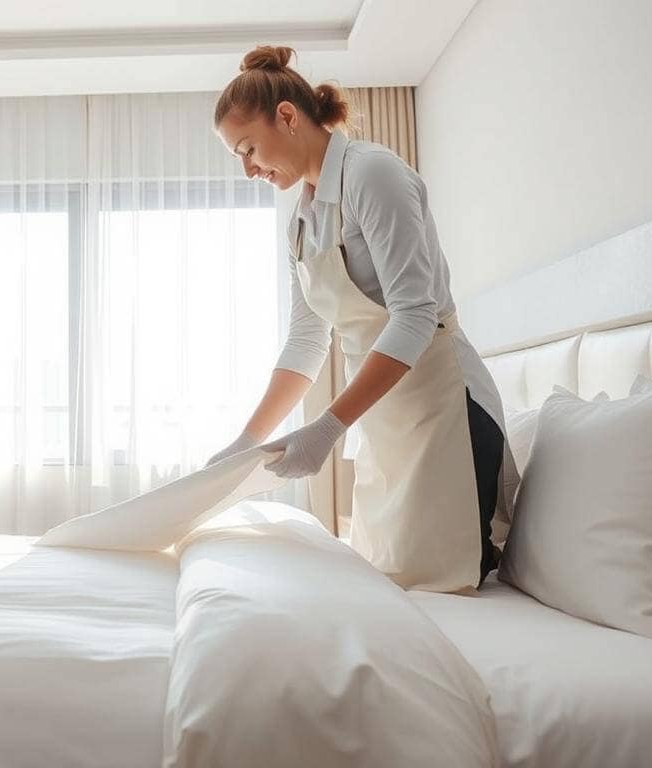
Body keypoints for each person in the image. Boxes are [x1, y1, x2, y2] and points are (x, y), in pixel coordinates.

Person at [209, 46, 507, 593]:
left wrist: (327, 426)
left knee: (447, 583)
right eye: (238, 158)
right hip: (383, 423)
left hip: (444, 413)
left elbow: (415, 315)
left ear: (288, 117)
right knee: (385, 584)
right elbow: (305, 341)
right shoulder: (300, 221)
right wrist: (248, 439)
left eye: (248, 148)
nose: (249, 169)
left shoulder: (373, 174)